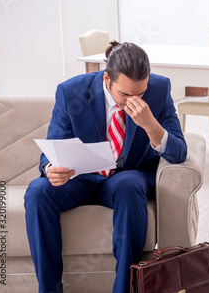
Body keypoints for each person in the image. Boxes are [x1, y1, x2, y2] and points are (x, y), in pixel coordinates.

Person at [24, 41, 187, 293]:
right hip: (78, 178)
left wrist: (150, 125)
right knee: (37, 191)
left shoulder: (159, 89)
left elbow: (179, 152)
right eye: (125, 95)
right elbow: (52, 148)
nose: (133, 100)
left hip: (124, 179)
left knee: (130, 184)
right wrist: (50, 169)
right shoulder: (71, 92)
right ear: (107, 78)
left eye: (140, 94)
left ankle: (126, 288)